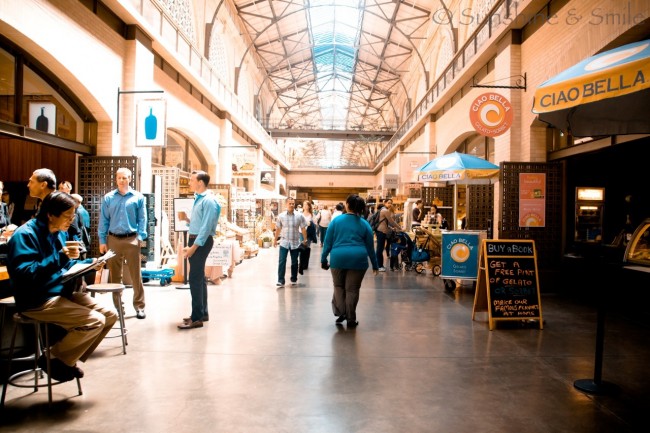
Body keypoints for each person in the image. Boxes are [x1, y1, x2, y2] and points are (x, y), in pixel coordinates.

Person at [6, 192, 117, 382]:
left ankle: (62, 359)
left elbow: (65, 266)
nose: (71, 221)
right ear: (50, 214)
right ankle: (54, 360)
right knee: (94, 321)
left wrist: (91, 263)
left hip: (59, 292)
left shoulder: (59, 232)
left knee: (109, 315)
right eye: (67, 216)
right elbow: (26, 275)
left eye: (73, 216)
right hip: (36, 299)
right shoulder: (25, 235)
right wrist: (61, 256)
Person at [321, 194, 378, 328]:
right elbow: (370, 248)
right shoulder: (364, 224)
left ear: (347, 205)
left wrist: (323, 259)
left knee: (339, 287)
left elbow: (327, 242)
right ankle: (351, 319)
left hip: (338, 258)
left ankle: (342, 312)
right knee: (352, 290)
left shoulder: (336, 221)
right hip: (358, 260)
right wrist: (375, 265)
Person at [98, 167, 148, 319]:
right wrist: (102, 240)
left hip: (131, 238)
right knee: (115, 276)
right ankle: (119, 307)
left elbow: (142, 219)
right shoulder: (108, 198)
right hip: (113, 239)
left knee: (135, 275)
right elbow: (104, 220)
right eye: (119, 178)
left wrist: (140, 237)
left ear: (130, 178)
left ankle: (139, 307)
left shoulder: (138, 197)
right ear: (116, 179)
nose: (122, 180)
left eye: (125, 177)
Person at [178, 170, 220, 330]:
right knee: (199, 278)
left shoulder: (209, 201)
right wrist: (187, 220)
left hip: (200, 242)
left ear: (200, 183)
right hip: (196, 239)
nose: (189, 182)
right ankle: (202, 313)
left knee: (194, 279)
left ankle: (196, 318)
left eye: (191, 180)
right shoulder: (199, 199)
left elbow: (206, 228)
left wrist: (193, 247)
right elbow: (200, 224)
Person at [273, 198, 308, 287]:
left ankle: (293, 278)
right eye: (290, 203)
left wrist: (305, 239)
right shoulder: (281, 216)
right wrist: (275, 240)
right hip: (284, 242)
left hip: (295, 243)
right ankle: (280, 280)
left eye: (293, 203)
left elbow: (303, 228)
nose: (292, 205)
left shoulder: (299, 216)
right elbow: (278, 228)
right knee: (282, 261)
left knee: (294, 262)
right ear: (286, 204)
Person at [375, 198, 402, 272]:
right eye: (389, 203)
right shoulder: (385, 211)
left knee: (379, 249)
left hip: (380, 231)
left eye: (391, 203)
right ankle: (379, 266)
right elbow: (391, 221)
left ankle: (379, 265)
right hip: (381, 231)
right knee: (380, 249)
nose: (390, 204)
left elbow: (385, 223)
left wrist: (391, 228)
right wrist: (400, 228)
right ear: (385, 203)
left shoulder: (382, 210)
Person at [299, 200, 316, 274]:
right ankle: (301, 264)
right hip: (301, 232)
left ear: (309, 206)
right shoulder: (300, 214)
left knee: (306, 248)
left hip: (308, 234)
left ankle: (305, 264)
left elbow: (315, 224)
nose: (305, 206)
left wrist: (311, 224)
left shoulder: (311, 215)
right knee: (301, 248)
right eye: (304, 205)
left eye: (306, 205)